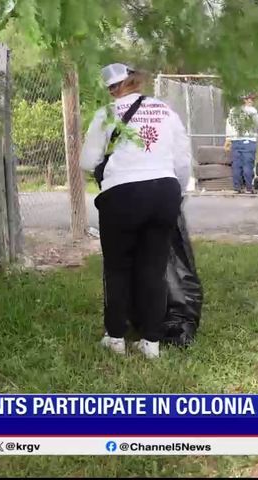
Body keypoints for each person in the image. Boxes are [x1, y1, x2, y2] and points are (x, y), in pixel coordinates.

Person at [79, 63, 192, 359]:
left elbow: (87, 161)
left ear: (112, 89)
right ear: (136, 82)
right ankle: (151, 343)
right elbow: (182, 160)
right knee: (153, 268)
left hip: (122, 194)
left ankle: (116, 337)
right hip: (165, 190)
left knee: (118, 267)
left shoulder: (106, 114)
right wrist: (178, 191)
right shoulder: (165, 111)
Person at [225, 93, 258, 194]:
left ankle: (237, 187)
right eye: (249, 99)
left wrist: (228, 138)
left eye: (251, 99)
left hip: (236, 140)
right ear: (244, 100)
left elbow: (229, 125)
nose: (251, 101)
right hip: (248, 140)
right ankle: (249, 187)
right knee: (248, 164)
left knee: (237, 164)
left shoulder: (233, 111)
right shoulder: (252, 111)